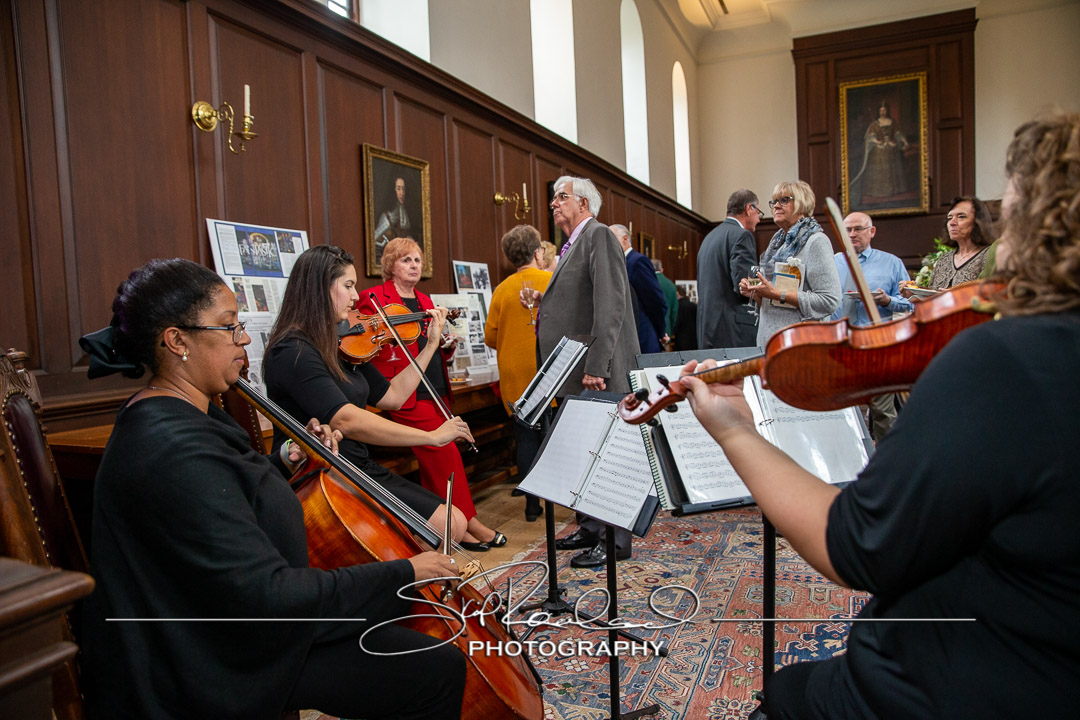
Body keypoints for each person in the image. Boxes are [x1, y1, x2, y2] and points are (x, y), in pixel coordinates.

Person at [686, 111, 1080, 719]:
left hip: (965, 680)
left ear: (1042, 219)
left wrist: (732, 429)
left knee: (785, 697)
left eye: (1013, 206)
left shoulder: (1015, 360)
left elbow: (855, 545)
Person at [80, 258, 465, 719]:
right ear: (176, 340)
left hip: (243, 628)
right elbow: (269, 594)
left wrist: (286, 458)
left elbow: (227, 483)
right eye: (229, 328)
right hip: (216, 657)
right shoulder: (170, 446)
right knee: (434, 667)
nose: (243, 340)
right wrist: (404, 572)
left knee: (400, 631)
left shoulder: (180, 411)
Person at [264, 245, 473, 545]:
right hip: (327, 473)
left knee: (453, 522)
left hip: (358, 465)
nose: (354, 297)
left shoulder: (337, 344)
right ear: (319, 288)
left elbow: (393, 396)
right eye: (348, 286)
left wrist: (430, 345)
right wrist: (430, 436)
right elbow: (345, 420)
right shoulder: (293, 350)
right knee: (449, 525)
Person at [357, 238, 504, 551]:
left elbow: (431, 347)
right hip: (401, 389)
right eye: (406, 260)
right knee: (444, 449)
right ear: (390, 266)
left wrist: (444, 347)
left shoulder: (426, 300)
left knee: (444, 451)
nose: (414, 265)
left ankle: (450, 520)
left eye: (417, 260)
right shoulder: (372, 298)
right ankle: (468, 523)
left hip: (433, 386)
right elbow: (368, 344)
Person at [524, 175, 639, 568]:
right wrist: (544, 297)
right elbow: (581, 297)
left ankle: (614, 540)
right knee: (583, 453)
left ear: (584, 204)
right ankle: (590, 529)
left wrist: (597, 366)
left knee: (605, 455)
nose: (554, 203)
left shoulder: (601, 235)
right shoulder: (573, 244)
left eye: (562, 197)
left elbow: (611, 304)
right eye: (553, 197)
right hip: (573, 372)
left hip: (595, 370)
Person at [484, 224, 552, 522]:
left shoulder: (502, 289)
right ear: (538, 252)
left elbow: (489, 337)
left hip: (515, 375)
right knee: (552, 436)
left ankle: (531, 506)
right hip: (547, 370)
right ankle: (557, 500)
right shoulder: (551, 280)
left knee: (525, 438)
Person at [829, 211, 913, 441]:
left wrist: (888, 301)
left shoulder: (891, 263)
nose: (852, 234)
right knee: (841, 410)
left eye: (858, 229)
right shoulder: (832, 262)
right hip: (839, 344)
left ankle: (891, 463)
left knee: (883, 412)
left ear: (872, 231)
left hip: (877, 346)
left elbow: (911, 304)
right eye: (847, 230)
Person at [741, 181, 841, 347]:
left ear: (802, 204)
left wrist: (777, 293)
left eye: (784, 200)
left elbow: (830, 300)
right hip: (770, 342)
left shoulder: (816, 241)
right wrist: (757, 293)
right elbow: (773, 301)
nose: (776, 206)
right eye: (774, 201)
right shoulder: (777, 243)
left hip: (799, 346)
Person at [697, 189, 764, 349]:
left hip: (707, 328)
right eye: (759, 213)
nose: (759, 220)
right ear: (749, 209)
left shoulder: (709, 237)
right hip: (734, 330)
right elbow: (746, 285)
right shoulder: (742, 235)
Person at [904, 196, 995, 296]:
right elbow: (931, 297)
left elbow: (992, 296)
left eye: (961, 217)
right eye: (949, 218)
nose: (952, 223)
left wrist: (957, 296)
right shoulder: (944, 259)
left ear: (978, 222)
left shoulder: (989, 255)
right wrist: (913, 293)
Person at [612, 223, 667, 354]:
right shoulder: (618, 262)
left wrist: (661, 331)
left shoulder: (637, 262)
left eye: (611, 238)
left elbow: (654, 299)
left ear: (625, 239)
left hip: (642, 335)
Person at [852, 101, 910, 203]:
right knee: (879, 155)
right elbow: (870, 137)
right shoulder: (875, 124)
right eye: (881, 110)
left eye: (884, 110)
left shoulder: (892, 122)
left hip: (891, 145)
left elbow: (898, 134)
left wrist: (904, 142)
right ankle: (879, 191)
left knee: (892, 154)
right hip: (880, 147)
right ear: (879, 111)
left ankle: (894, 189)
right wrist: (877, 141)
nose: (883, 112)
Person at [373, 176, 414, 264]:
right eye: (398, 188)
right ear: (393, 190)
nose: (402, 193)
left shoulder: (405, 213)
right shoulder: (387, 217)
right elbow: (377, 244)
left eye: (403, 189)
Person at [652, 257, 679, 342]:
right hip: (666, 330)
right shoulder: (671, 285)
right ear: (662, 269)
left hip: (651, 330)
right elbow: (674, 312)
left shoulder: (649, 282)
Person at [672, 284, 698, 351]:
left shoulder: (677, 306)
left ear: (677, 293)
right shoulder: (694, 305)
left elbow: (676, 323)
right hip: (694, 341)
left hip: (681, 341)